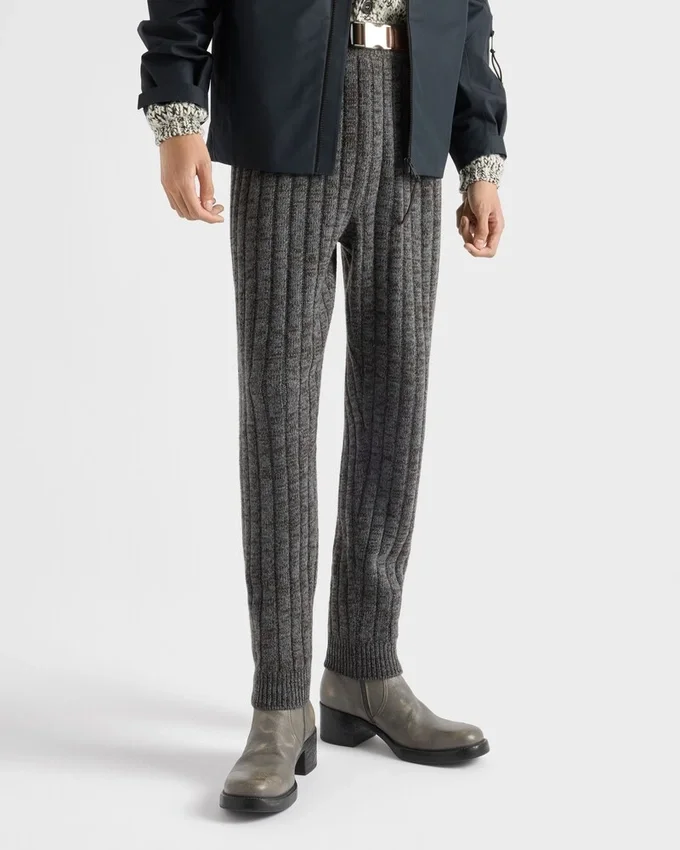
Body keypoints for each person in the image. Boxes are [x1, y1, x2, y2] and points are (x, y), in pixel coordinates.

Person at [137, 0, 507, 814]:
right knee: (278, 413)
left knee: (397, 408)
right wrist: (176, 110)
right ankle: (280, 702)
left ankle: (364, 672)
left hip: (413, 125)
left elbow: (470, 11)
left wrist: (480, 153)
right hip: (289, 107)